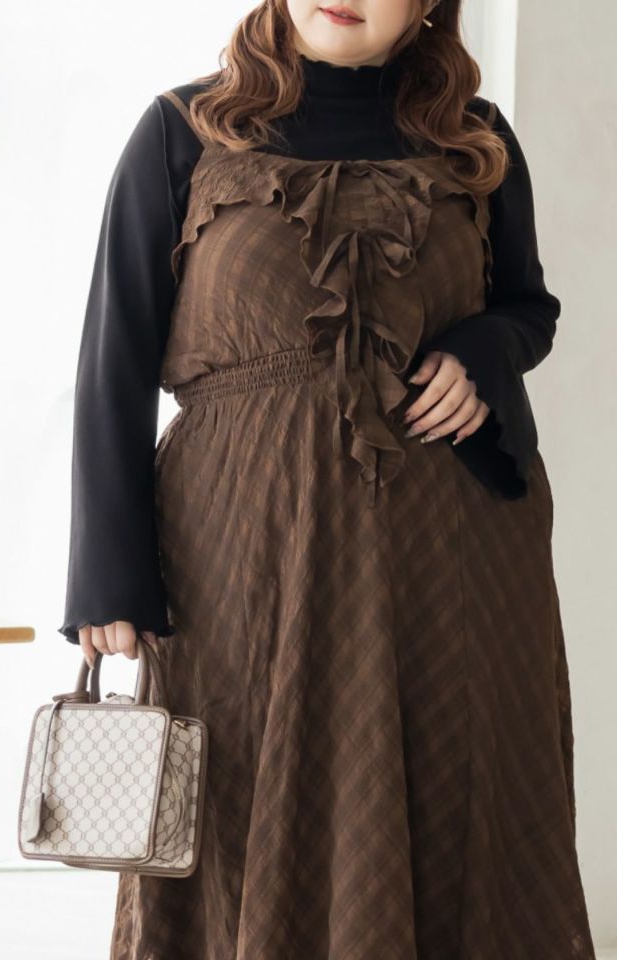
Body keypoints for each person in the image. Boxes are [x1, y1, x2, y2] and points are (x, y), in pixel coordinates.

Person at [60, 0, 597, 956]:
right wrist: (108, 577)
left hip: (454, 556)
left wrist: (481, 350)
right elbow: (114, 357)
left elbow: (529, 307)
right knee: (237, 809)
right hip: (240, 552)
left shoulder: (476, 138)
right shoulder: (182, 130)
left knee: (457, 802)